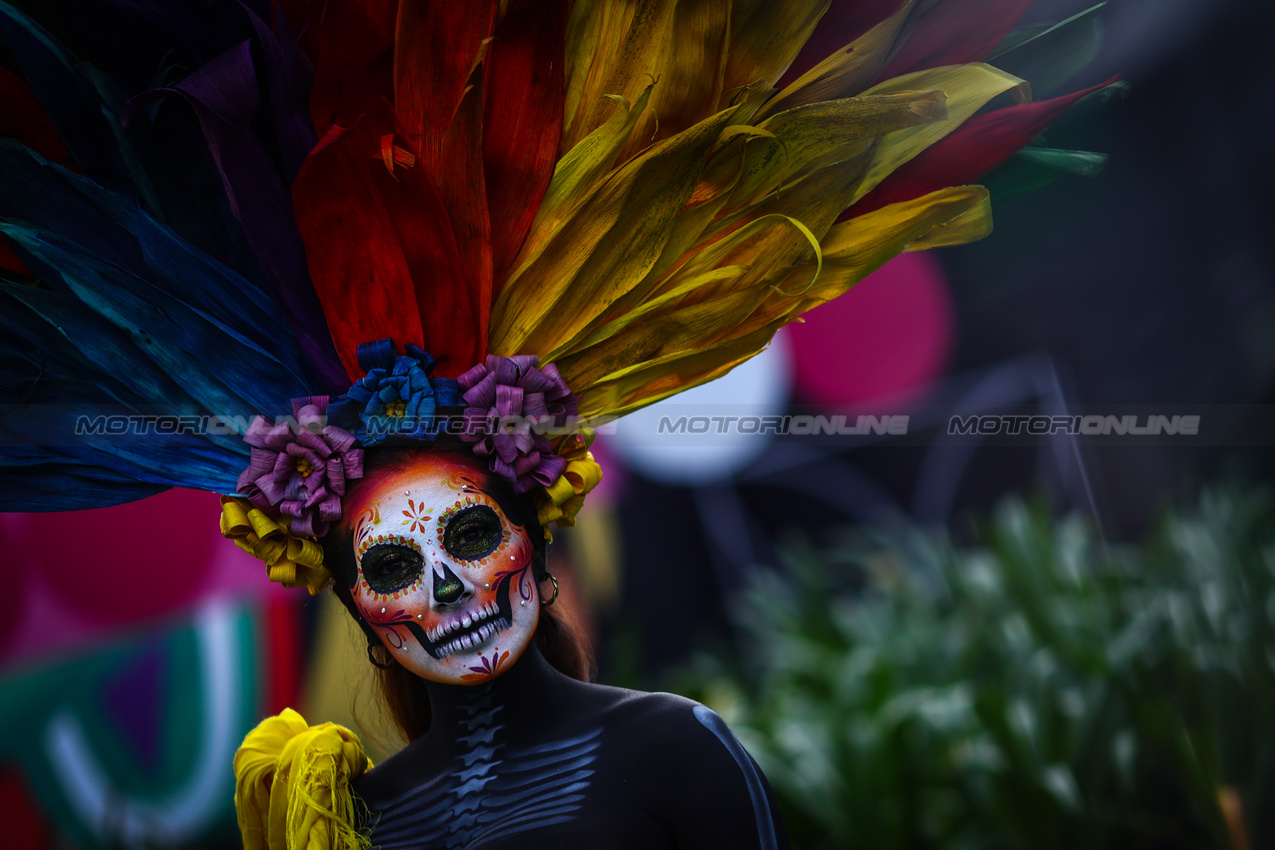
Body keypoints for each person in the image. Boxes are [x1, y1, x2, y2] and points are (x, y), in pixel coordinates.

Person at [314, 443, 787, 849]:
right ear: (358, 611)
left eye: (472, 536)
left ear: (536, 546)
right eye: (394, 567)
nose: (447, 587)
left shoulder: (675, 745)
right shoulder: (357, 821)